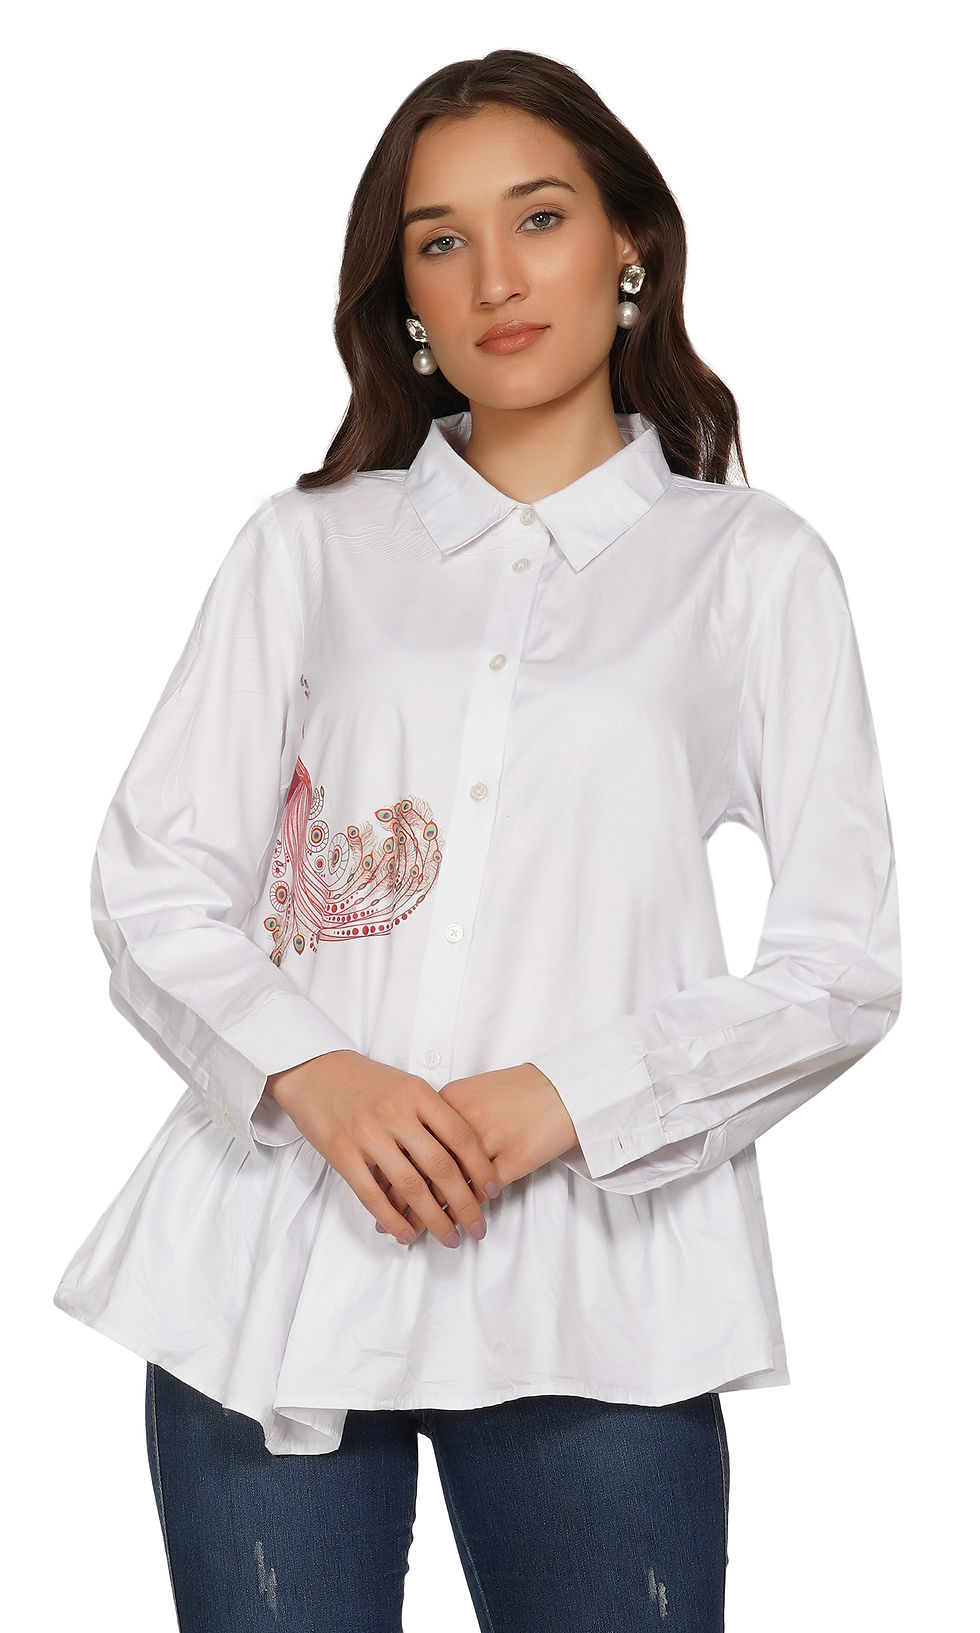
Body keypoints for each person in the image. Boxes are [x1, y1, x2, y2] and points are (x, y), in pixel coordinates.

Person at [52, 47, 902, 1633]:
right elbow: (154, 882)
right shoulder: (307, 547)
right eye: (441, 240)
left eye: (540, 217)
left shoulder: (753, 568)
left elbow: (843, 962)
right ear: (405, 298)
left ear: (631, 244)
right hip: (271, 1267)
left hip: (597, 1288)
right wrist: (316, 1072)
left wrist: (568, 1096)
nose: (496, 277)